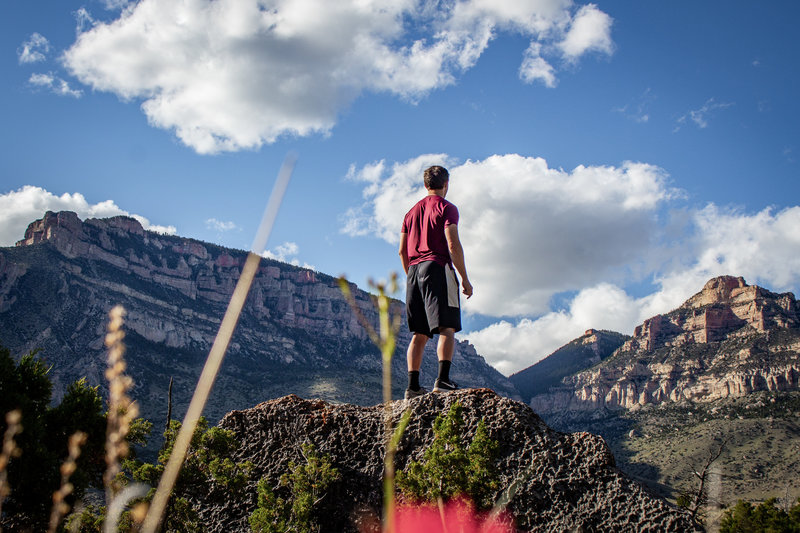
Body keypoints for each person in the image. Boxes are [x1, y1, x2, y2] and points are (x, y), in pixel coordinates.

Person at [399, 165, 473, 399]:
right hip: (437, 267)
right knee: (446, 327)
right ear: (446, 184)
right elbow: (452, 244)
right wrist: (464, 278)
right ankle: (442, 380)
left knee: (419, 333)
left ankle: (412, 387)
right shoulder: (447, 208)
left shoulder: (410, 213)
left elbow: (402, 251)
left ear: (425, 185)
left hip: (413, 270)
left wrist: (412, 275)